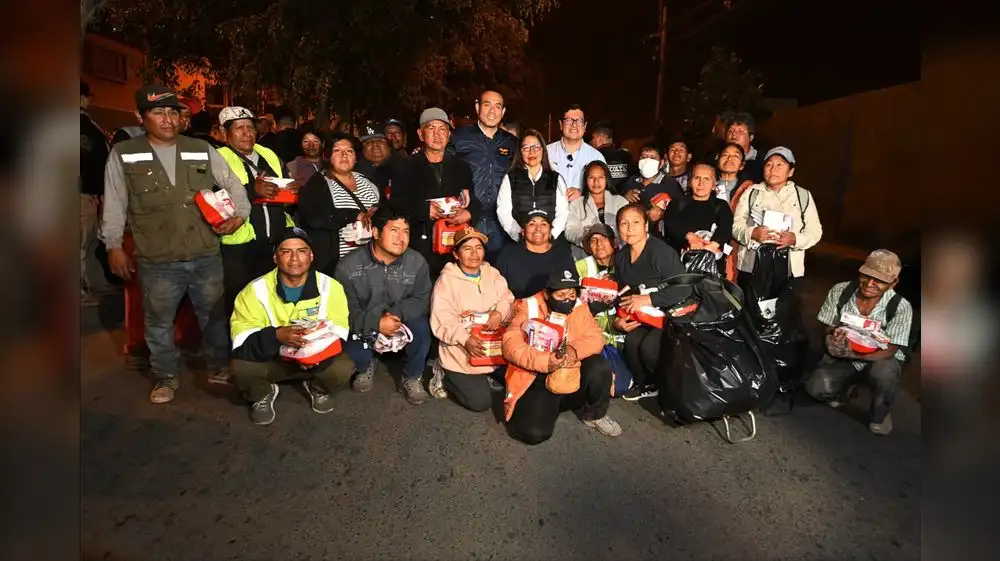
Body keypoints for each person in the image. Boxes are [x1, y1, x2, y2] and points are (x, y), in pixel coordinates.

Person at [101, 85, 252, 403]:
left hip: (205, 252)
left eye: (173, 112)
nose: (168, 120)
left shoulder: (200, 148)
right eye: (158, 112)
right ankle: (165, 375)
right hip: (158, 257)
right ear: (140, 117)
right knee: (158, 322)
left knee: (213, 317)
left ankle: (219, 366)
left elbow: (232, 185)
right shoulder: (124, 153)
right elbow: (114, 202)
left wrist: (240, 215)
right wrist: (113, 245)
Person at [229, 227, 354, 425]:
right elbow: (241, 341)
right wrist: (276, 337)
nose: (294, 258)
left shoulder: (330, 287)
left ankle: (316, 388)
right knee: (240, 368)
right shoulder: (254, 291)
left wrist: (315, 354)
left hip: (315, 362)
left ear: (311, 256)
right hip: (274, 361)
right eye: (286, 251)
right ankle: (263, 393)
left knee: (344, 366)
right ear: (275, 258)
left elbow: (340, 331)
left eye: (301, 251)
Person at [502, 266, 622, 444]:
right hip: (537, 376)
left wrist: (573, 351)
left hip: (570, 372)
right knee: (534, 433)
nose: (567, 300)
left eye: (572, 295)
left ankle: (594, 414)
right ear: (546, 294)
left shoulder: (580, 306)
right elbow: (510, 344)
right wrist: (545, 361)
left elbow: (595, 337)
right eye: (561, 295)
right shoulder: (529, 306)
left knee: (599, 366)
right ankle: (545, 407)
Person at [804, 250, 914, 436]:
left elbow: (889, 350)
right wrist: (832, 338)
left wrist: (853, 355)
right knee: (815, 388)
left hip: (879, 358)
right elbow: (828, 326)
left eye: (879, 280)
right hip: (846, 353)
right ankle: (845, 387)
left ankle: (880, 414)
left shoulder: (900, 307)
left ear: (893, 282)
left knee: (885, 373)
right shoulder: (841, 291)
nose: (870, 284)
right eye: (866, 275)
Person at [334, 203, 433, 405]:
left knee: (422, 326)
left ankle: (412, 376)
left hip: (399, 319)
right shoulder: (348, 266)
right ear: (376, 232)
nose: (401, 238)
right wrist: (375, 322)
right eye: (394, 230)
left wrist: (395, 314)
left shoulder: (417, 261)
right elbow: (345, 311)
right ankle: (365, 364)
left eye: (405, 231)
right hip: (364, 322)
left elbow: (421, 299)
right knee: (350, 337)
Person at [215, 106, 300, 316]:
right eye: (239, 128)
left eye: (250, 128)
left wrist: (292, 191)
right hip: (241, 245)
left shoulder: (268, 153)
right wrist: (252, 191)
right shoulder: (217, 158)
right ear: (225, 133)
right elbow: (213, 198)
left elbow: (282, 188)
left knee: (272, 298)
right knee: (240, 300)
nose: (247, 133)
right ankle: (239, 344)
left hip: (275, 239)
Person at [429, 227, 516, 410]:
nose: (474, 254)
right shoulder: (447, 281)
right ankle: (443, 374)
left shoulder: (491, 273)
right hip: (461, 354)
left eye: (479, 247)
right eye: (467, 248)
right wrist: (464, 339)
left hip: (493, 350)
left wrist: (499, 312)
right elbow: (442, 319)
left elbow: (507, 299)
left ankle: (487, 375)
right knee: (480, 403)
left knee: (518, 386)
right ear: (456, 254)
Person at [391, 107, 479, 279]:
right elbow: (395, 202)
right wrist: (423, 210)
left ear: (449, 134)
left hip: (454, 244)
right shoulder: (406, 166)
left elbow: (474, 200)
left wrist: (468, 213)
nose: (438, 134)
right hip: (419, 245)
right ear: (420, 134)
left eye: (443, 129)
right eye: (431, 128)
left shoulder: (461, 167)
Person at [613, 204, 685, 401]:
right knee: (631, 343)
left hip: (670, 313)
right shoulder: (620, 257)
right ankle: (647, 384)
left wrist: (649, 299)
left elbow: (684, 289)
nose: (629, 228)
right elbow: (622, 293)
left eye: (635, 222)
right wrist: (619, 319)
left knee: (649, 347)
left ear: (646, 226)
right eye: (624, 223)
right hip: (642, 314)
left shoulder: (660, 252)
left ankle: (675, 389)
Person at [731, 146, 823, 288]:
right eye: (769, 164)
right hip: (751, 267)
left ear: (791, 171)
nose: (773, 169)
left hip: (790, 270)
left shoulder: (802, 195)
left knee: (783, 309)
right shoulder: (751, 193)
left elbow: (815, 231)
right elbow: (736, 225)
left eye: (780, 164)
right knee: (749, 309)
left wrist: (795, 239)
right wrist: (752, 233)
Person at [449, 90, 518, 262]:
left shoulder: (512, 142)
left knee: (499, 273)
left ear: (503, 112)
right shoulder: (460, 136)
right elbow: (446, 170)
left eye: (498, 106)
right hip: (467, 218)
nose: (492, 111)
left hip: (501, 222)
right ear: (478, 107)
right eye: (487, 105)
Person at [298, 132, 380, 275]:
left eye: (349, 151)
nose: (344, 155)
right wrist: (354, 215)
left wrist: (377, 216)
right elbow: (315, 217)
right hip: (336, 264)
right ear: (328, 156)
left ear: (356, 158)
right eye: (337, 151)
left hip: (371, 262)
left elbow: (384, 211)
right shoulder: (318, 183)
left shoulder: (368, 182)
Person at [496, 129, 569, 243]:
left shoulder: (556, 178)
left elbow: (563, 211)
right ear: (520, 152)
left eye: (536, 147)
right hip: (520, 241)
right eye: (526, 148)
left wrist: (551, 235)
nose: (532, 152)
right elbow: (503, 212)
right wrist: (519, 235)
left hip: (550, 241)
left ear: (543, 150)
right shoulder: (510, 178)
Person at [663, 162, 734, 275]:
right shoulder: (677, 203)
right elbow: (671, 225)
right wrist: (689, 236)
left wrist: (712, 246)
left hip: (712, 266)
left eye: (707, 179)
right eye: (697, 178)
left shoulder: (721, 205)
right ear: (690, 182)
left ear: (714, 184)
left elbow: (726, 228)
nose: (701, 183)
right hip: (679, 266)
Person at [495, 210, 575, 300]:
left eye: (543, 224)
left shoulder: (563, 255)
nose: (538, 228)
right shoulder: (508, 253)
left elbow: (571, 290)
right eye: (532, 224)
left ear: (550, 231)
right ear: (523, 231)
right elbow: (497, 290)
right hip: (517, 309)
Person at [80, 80, 110, 306]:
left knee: (87, 243)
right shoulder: (84, 127)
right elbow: (94, 161)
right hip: (82, 194)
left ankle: (91, 285)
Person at [618, 144, 684, 238]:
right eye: (644, 157)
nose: (647, 161)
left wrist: (663, 214)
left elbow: (681, 213)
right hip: (632, 236)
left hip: (660, 239)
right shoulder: (630, 182)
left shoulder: (671, 185)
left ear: (661, 163)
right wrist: (624, 196)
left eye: (652, 158)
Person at [564, 161, 628, 256]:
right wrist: (585, 241)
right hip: (586, 255)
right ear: (586, 180)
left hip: (618, 254)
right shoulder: (576, 204)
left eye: (600, 177)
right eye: (592, 177)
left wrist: (614, 242)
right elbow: (570, 230)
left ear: (607, 179)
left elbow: (627, 227)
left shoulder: (620, 201)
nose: (596, 181)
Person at [575, 224, 623, 348]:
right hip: (591, 337)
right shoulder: (579, 267)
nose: (599, 244)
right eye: (593, 240)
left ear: (614, 243)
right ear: (589, 247)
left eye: (604, 238)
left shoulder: (626, 264)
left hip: (623, 335)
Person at [546, 104, 606, 201]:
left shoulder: (596, 156)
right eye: (569, 120)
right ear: (561, 124)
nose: (574, 125)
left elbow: (604, 192)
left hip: (583, 213)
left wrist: (583, 194)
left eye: (579, 121)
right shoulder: (546, 152)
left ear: (585, 126)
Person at [590, 122, 634, 194]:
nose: (591, 141)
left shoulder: (595, 156)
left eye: (593, 138)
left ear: (600, 139)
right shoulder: (626, 156)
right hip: (624, 198)